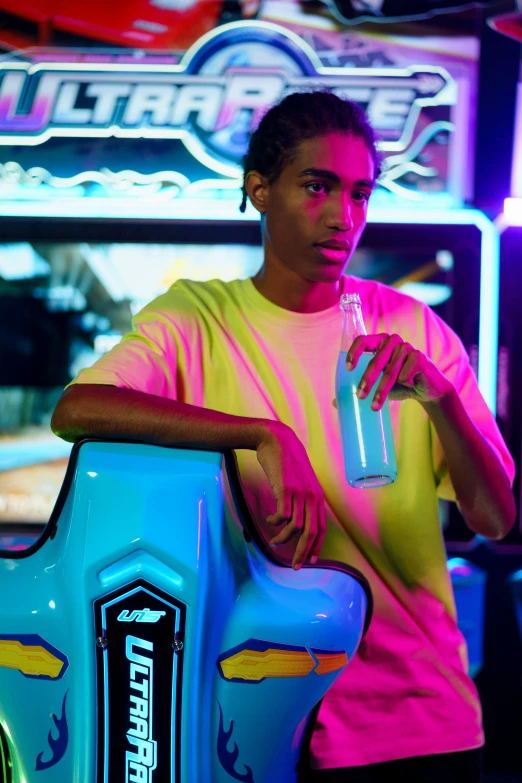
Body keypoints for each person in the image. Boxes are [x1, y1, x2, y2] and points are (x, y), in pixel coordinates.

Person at [51, 90, 515, 782]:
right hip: (248, 712)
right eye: (317, 186)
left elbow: (498, 518)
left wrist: (443, 397)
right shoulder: (201, 316)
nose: (344, 216)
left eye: (361, 193)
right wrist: (259, 434)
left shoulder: (415, 329)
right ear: (259, 189)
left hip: (413, 719)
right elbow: (78, 409)